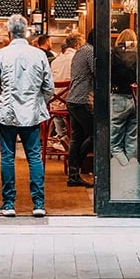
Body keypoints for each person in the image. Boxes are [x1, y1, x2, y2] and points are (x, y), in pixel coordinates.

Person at [0, 14, 54, 218]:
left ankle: (8, 204)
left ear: (9, 32)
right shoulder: (39, 54)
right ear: (26, 32)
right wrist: (39, 100)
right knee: (34, 157)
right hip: (31, 113)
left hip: (7, 112)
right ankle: (38, 204)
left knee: (7, 157)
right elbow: (48, 87)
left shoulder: (0, 55)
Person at [65, 28, 95, 188]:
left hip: (73, 100)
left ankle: (73, 175)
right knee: (96, 135)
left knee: (77, 138)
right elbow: (99, 73)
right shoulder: (90, 51)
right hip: (83, 100)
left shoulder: (81, 51)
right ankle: (77, 165)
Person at [47, 32, 82, 152]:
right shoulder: (78, 59)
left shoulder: (55, 61)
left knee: (58, 112)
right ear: (77, 46)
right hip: (73, 105)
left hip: (55, 105)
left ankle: (62, 136)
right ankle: (75, 143)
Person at [110, 28, 138, 166]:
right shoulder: (138, 55)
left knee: (114, 145)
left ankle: (125, 171)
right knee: (132, 142)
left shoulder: (113, 55)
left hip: (117, 98)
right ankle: (132, 175)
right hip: (133, 99)